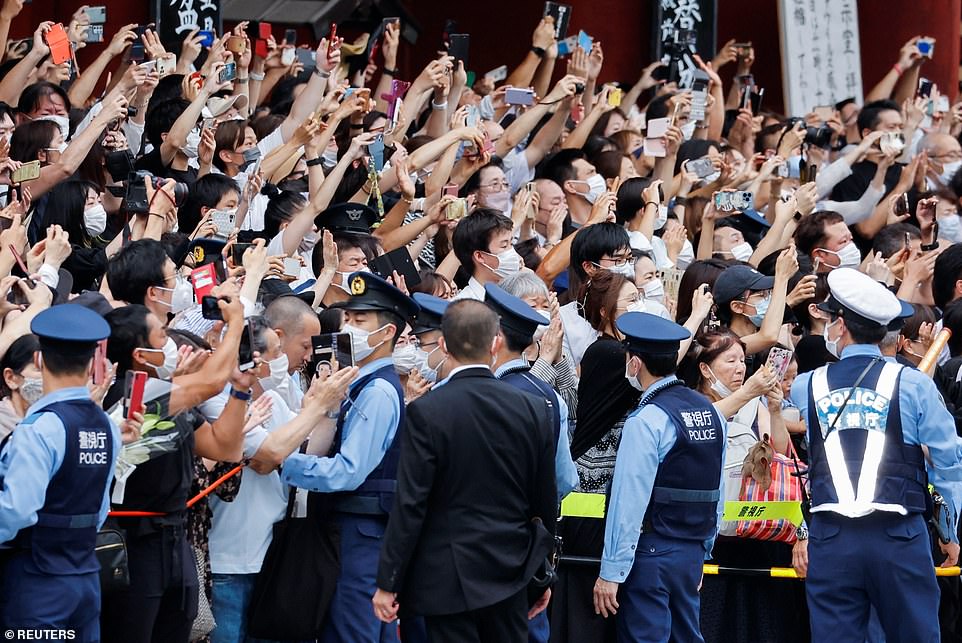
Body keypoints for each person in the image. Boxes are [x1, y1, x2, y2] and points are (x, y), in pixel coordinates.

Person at [791, 268, 962, 642]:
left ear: (839, 326)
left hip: (831, 535)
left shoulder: (807, 385)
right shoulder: (914, 384)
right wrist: (949, 531)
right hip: (899, 535)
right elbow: (949, 464)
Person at [373, 299, 557, 642]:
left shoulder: (428, 411)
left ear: (443, 344)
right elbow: (545, 499)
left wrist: (388, 581)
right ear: (495, 343)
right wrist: (543, 569)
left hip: (447, 576)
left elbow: (411, 503)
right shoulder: (532, 408)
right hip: (511, 570)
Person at [281, 271, 418, 643]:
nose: (349, 327)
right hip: (358, 532)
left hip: (360, 533)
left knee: (352, 631)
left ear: (387, 333)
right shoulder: (359, 382)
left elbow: (348, 472)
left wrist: (285, 462)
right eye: (348, 319)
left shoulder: (376, 390)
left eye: (361, 321)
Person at [592, 311, 726, 643]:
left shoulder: (648, 419)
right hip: (691, 551)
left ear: (635, 363)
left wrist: (611, 571)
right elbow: (717, 490)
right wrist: (703, 551)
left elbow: (628, 502)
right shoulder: (711, 412)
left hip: (652, 552)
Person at [0, 304, 124, 638]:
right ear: (90, 364)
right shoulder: (106, 425)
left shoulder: (38, 429)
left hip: (37, 582)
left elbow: (16, 511)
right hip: (84, 577)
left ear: (40, 360)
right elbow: (99, 511)